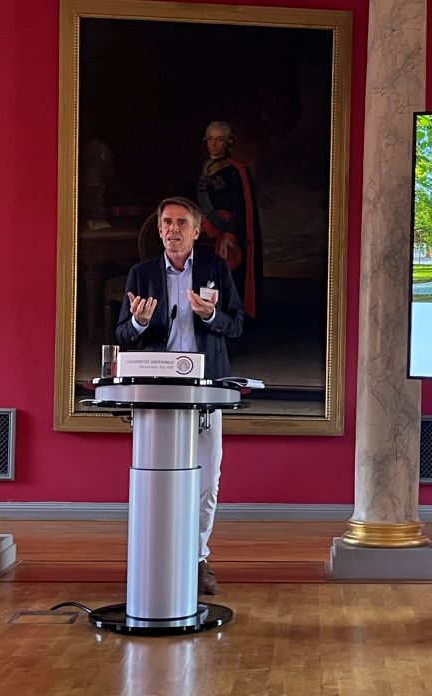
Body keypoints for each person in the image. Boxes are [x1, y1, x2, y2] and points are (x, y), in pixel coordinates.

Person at [115, 196, 243, 595]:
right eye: (166, 222)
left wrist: (209, 315)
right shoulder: (141, 274)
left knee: (208, 480)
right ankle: (155, 556)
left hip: (206, 389)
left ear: (196, 229)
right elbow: (122, 334)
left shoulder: (215, 269)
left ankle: (197, 558)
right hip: (157, 390)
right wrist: (137, 321)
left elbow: (235, 325)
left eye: (181, 222)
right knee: (156, 479)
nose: (173, 229)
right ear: (158, 229)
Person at [183, 120, 263, 320]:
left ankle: (225, 319)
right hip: (198, 233)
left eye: (219, 139)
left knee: (224, 278)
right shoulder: (198, 169)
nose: (214, 144)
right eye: (210, 139)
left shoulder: (237, 170)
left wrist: (230, 234)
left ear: (228, 141)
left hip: (226, 232)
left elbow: (241, 207)